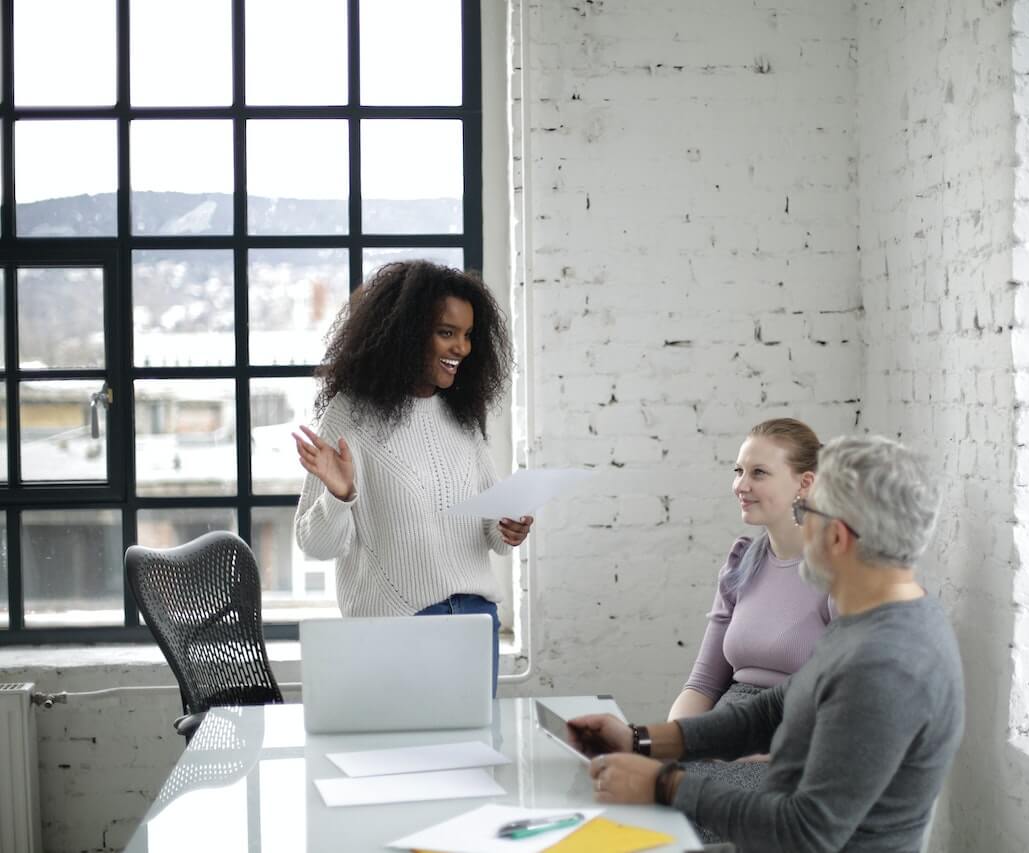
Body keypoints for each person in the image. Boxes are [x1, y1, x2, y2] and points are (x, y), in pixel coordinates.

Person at [568, 435, 965, 853]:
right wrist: (641, 740)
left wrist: (664, 784)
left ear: (836, 538)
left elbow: (805, 833)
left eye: (804, 512)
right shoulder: (873, 615)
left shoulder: (886, 665)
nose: (799, 524)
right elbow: (770, 711)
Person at [292, 260, 531, 695]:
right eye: (446, 332)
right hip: (397, 625)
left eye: (468, 335)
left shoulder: (460, 414)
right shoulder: (352, 414)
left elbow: (491, 535)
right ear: (405, 332)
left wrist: (508, 526)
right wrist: (340, 495)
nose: (461, 347)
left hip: (476, 621)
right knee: (407, 760)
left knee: (474, 757)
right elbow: (316, 543)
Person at [668, 418, 832, 805]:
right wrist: (674, 741)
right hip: (725, 733)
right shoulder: (742, 561)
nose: (741, 485)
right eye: (739, 471)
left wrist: (729, 750)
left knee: (688, 817)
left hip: (794, 751)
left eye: (759, 473)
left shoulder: (840, 574)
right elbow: (703, 684)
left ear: (805, 484)